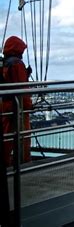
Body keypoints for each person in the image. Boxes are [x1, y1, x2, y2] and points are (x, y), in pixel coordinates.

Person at [1, 36, 32, 166]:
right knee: (23, 135)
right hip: (17, 106)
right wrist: (28, 105)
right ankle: (23, 163)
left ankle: (6, 162)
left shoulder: (5, 63)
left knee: (7, 136)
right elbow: (21, 87)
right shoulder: (17, 64)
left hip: (5, 104)